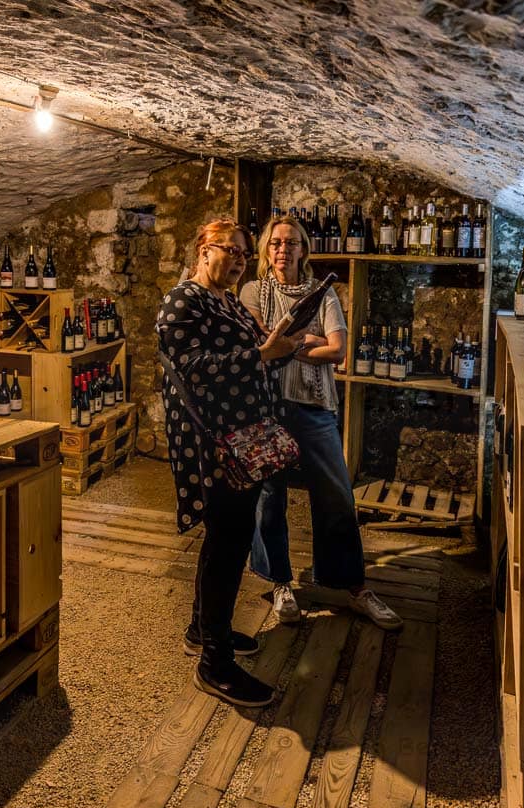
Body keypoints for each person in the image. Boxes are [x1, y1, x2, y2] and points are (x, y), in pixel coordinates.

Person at [157, 218, 304, 708]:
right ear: (203, 250)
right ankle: (215, 664)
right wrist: (261, 354)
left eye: (245, 253)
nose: (240, 259)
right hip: (214, 441)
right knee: (228, 541)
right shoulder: (185, 299)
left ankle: (203, 629)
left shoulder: (226, 302)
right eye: (231, 250)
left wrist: (283, 347)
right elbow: (190, 366)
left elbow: (252, 356)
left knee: (228, 537)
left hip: (242, 435)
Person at [239, 214, 402, 631]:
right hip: (268, 407)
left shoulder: (322, 293)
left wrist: (287, 347)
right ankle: (279, 582)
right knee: (269, 498)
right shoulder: (252, 291)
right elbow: (260, 345)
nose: (283, 249)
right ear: (266, 249)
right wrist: (306, 342)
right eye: (275, 243)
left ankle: (353, 586)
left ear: (303, 250)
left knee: (336, 495)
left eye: (291, 243)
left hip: (314, 405)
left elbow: (338, 351)